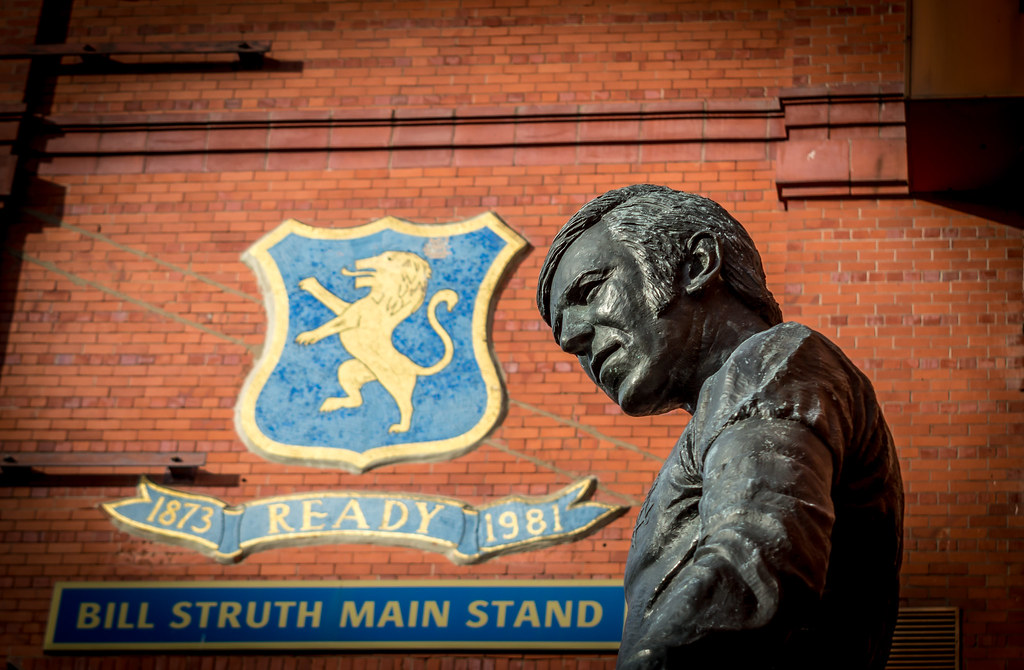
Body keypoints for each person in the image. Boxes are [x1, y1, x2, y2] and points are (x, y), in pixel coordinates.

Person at [536, 185, 904, 669]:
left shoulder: (771, 361)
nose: (573, 338)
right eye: (565, 335)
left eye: (588, 291)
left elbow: (756, 564)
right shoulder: (729, 402)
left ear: (697, 263)